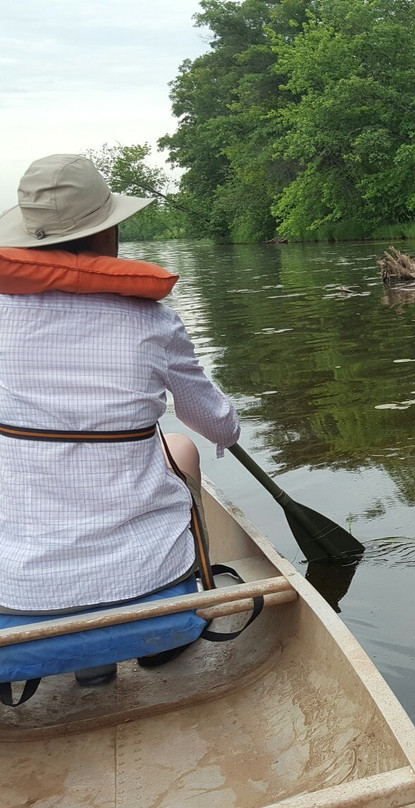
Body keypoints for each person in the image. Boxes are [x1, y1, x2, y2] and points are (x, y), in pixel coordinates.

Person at [0, 154, 240, 684]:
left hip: (15, 600)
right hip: (150, 591)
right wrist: (229, 429)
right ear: (109, 235)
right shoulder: (154, 321)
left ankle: (54, 648)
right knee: (183, 447)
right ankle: (173, 616)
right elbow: (218, 425)